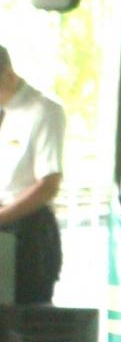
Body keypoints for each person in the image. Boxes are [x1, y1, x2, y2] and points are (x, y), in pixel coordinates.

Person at [0, 44, 65, 304]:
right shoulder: (4, 113)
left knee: (26, 316)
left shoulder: (44, 111)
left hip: (29, 230)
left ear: (7, 74)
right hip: (4, 222)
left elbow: (49, 185)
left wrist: (1, 217)